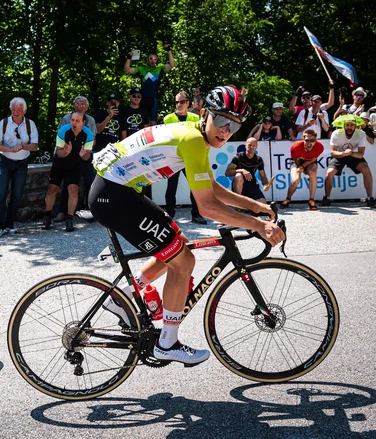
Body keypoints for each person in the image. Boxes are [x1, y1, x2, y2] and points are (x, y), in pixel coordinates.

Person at [89, 86, 284, 366]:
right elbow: (207, 207)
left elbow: (211, 187)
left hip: (119, 190)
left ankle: (125, 296)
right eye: (221, 120)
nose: (225, 130)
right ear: (205, 114)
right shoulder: (193, 139)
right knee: (183, 261)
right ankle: (167, 343)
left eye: (234, 125)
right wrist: (256, 225)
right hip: (113, 196)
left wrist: (254, 206)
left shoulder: (196, 133)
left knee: (175, 243)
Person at [0, 97, 39, 236]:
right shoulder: (4, 123)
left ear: (24, 111)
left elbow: (35, 146)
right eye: (13, 110)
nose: (16, 112)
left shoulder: (30, 124)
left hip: (22, 163)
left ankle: (9, 224)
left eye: (18, 110)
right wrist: (9, 149)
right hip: (5, 161)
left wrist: (24, 146)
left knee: (17, 196)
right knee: (1, 195)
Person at [43, 111, 93, 232]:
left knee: (73, 190)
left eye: (77, 121)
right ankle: (47, 215)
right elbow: (59, 152)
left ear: (83, 123)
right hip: (60, 161)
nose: (74, 123)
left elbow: (87, 157)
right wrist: (66, 152)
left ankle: (69, 219)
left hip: (76, 163)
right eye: (72, 120)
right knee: (52, 189)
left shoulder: (88, 134)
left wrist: (83, 155)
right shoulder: (63, 131)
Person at [162, 91, 205, 224]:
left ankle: (197, 214)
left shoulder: (194, 118)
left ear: (188, 103)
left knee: (195, 186)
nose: (178, 104)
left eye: (181, 102)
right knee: (171, 187)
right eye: (176, 102)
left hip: (189, 157)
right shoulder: (168, 118)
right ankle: (169, 215)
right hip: (174, 157)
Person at [54, 96, 97, 220]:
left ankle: (91, 210)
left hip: (86, 154)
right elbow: (60, 137)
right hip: (69, 155)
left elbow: (93, 140)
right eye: (77, 104)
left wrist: (85, 151)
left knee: (90, 180)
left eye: (83, 105)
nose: (80, 107)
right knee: (68, 183)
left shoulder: (91, 120)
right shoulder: (66, 118)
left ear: (87, 107)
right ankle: (63, 212)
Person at [321, 116, 375, 208]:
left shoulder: (361, 133)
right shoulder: (336, 133)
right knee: (328, 174)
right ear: (343, 126)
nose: (349, 127)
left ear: (355, 126)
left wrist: (351, 153)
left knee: (366, 170)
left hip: (354, 155)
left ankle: (370, 198)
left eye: (352, 125)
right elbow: (332, 152)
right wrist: (343, 153)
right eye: (347, 125)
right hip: (340, 155)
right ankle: (327, 198)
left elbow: (361, 154)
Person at [124, 46, 175, 125]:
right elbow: (127, 69)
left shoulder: (159, 69)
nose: (152, 61)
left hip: (153, 99)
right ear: (147, 59)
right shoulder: (141, 69)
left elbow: (172, 65)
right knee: (143, 122)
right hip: (143, 99)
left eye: (155, 59)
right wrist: (129, 57)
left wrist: (169, 50)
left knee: (153, 122)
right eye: (151, 58)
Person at [280, 130, 324, 210]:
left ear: (316, 140)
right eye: (307, 140)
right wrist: (299, 167)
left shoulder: (319, 147)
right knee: (296, 179)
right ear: (303, 139)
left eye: (312, 141)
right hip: (297, 161)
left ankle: (311, 200)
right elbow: (295, 159)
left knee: (313, 173)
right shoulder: (295, 147)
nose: (309, 143)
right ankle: (288, 198)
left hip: (310, 162)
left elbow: (313, 159)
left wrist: (303, 166)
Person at [225, 137, 273, 204]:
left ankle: (247, 207)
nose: (251, 147)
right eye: (250, 145)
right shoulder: (238, 157)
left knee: (263, 202)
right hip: (239, 185)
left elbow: (263, 177)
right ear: (246, 146)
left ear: (256, 147)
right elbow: (227, 173)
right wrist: (242, 170)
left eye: (254, 146)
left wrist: (265, 185)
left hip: (252, 185)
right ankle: (237, 203)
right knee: (238, 175)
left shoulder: (258, 159)